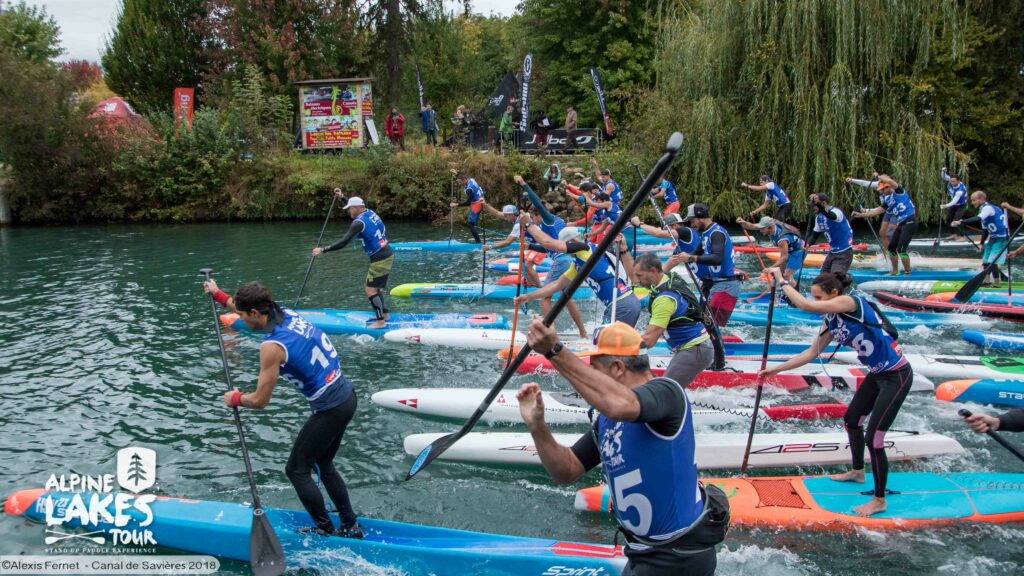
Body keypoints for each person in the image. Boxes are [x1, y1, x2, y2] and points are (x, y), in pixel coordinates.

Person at [517, 320, 727, 576]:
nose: (588, 382)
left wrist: (554, 351)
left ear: (617, 368)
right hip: (642, 553)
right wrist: (537, 425)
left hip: (678, 558)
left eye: (593, 370)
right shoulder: (607, 419)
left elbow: (621, 404)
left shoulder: (668, 393)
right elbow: (566, 470)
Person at [202, 280, 362, 538]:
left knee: (296, 470)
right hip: (346, 396)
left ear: (255, 313)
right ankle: (350, 524)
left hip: (330, 408)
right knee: (323, 462)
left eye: (241, 315)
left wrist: (236, 398)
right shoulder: (286, 312)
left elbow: (259, 401)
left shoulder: (272, 347)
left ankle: (324, 529)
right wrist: (217, 293)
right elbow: (240, 305)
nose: (238, 318)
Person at [759, 269, 913, 517]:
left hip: (897, 376)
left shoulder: (850, 302)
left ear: (834, 293)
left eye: (821, 298)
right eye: (817, 298)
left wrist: (782, 280)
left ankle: (879, 499)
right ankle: (857, 472)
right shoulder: (831, 319)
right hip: (877, 374)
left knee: (874, 439)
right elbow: (811, 353)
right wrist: (776, 369)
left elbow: (806, 306)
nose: (820, 303)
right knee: (852, 421)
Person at [515, 223, 641, 327]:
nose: (566, 252)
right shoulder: (579, 263)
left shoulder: (584, 249)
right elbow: (556, 285)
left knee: (603, 349)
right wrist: (529, 296)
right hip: (624, 303)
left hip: (621, 304)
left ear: (572, 241)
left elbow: (548, 243)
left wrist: (528, 224)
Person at [515, 174, 589, 337]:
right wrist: (532, 246)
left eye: (533, 219)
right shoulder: (558, 222)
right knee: (566, 298)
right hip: (567, 260)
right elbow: (550, 248)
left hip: (561, 261)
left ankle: (550, 332)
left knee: (545, 296)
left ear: (537, 215)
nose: (533, 222)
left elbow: (537, 203)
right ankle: (583, 332)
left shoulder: (548, 220)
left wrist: (524, 184)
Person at [631, 253, 717, 385]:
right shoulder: (668, 278)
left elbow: (649, 340)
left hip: (694, 349)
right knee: (671, 390)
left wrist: (618, 351)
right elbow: (661, 270)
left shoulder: (664, 299)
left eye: (639, 276)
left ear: (653, 271)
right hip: (696, 347)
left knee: (665, 391)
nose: (636, 281)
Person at [313, 196, 394, 329]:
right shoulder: (370, 212)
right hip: (385, 253)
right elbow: (356, 206)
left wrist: (323, 250)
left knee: (370, 289)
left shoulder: (358, 223)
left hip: (380, 258)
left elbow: (343, 242)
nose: (348, 211)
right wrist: (342, 197)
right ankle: (384, 315)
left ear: (356, 208)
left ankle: (380, 322)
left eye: (349, 209)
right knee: (375, 288)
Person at [667, 203, 739, 327]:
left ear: (701, 217)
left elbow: (717, 258)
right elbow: (695, 253)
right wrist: (682, 257)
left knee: (711, 326)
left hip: (726, 286)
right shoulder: (706, 233)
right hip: (716, 285)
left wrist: (690, 257)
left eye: (693, 220)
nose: (692, 224)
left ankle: (716, 345)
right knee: (703, 322)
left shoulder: (716, 233)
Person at [852, 175, 917, 275]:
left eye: (882, 189)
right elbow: (877, 211)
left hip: (910, 222)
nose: (881, 192)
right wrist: (861, 215)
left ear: (888, 187)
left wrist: (878, 176)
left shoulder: (899, 191)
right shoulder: (888, 201)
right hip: (901, 224)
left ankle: (908, 272)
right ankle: (895, 271)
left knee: (901, 249)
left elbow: (890, 180)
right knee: (891, 248)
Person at [953, 191, 1010, 287]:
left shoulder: (988, 208)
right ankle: (987, 282)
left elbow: (977, 219)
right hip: (993, 238)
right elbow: (985, 230)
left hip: (1002, 238)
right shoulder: (982, 210)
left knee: (992, 262)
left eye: (974, 200)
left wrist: (961, 222)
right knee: (985, 261)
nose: (972, 202)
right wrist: (981, 243)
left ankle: (997, 284)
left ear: (981, 199)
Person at [736, 216, 804, 284]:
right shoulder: (770, 226)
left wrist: (770, 268)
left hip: (798, 251)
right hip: (788, 250)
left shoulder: (782, 239)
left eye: (762, 228)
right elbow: (752, 226)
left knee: (787, 275)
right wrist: (743, 222)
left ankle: (794, 293)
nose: (760, 230)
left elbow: (784, 257)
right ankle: (782, 290)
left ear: (770, 227)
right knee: (775, 273)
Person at [806, 193, 854, 274]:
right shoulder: (819, 217)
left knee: (835, 280)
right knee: (822, 281)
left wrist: (818, 203)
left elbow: (830, 215)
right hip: (832, 253)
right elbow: (815, 235)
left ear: (823, 203)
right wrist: (807, 245)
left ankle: (845, 281)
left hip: (844, 252)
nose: (812, 208)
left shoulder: (836, 212)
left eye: (814, 206)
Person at [846, 175, 892, 251]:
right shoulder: (880, 184)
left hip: (895, 214)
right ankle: (888, 253)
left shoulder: (891, 194)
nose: (879, 187)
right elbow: (866, 183)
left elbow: (880, 210)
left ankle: (893, 253)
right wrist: (852, 180)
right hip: (888, 213)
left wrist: (867, 210)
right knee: (882, 233)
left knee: (888, 234)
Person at [450, 176, 486, 243]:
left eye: (460, 182)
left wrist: (456, 205)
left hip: (477, 203)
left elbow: (468, 203)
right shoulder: (471, 179)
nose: (459, 183)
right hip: (478, 200)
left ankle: (478, 243)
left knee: (470, 224)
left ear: (464, 179)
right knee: (472, 223)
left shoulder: (469, 189)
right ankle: (478, 241)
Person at [941, 167, 968, 241]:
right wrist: (943, 171)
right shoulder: (951, 180)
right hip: (954, 205)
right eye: (951, 181)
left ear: (959, 181)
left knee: (957, 220)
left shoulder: (961, 190)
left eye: (954, 181)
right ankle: (953, 235)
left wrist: (945, 205)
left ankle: (963, 236)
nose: (952, 183)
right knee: (949, 218)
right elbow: (943, 176)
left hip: (961, 205)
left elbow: (955, 201)